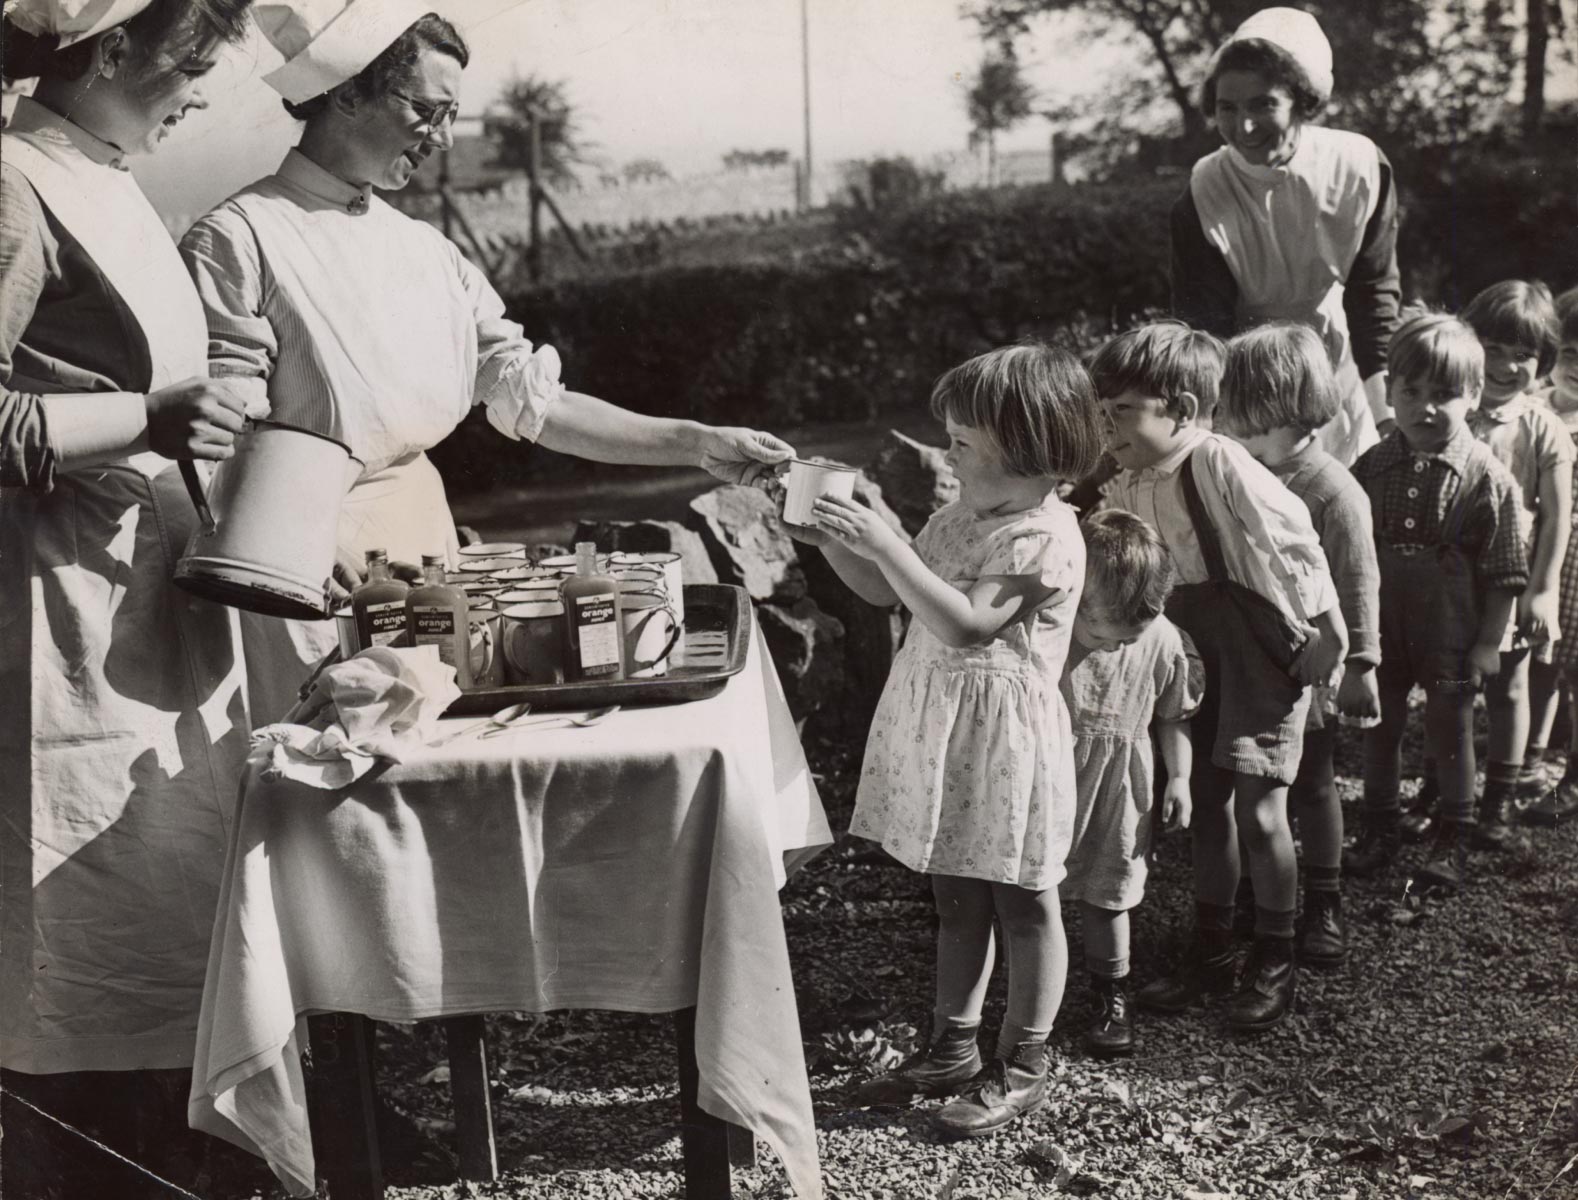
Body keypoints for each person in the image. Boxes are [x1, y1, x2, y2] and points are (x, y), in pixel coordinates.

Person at [180, 3, 796, 723]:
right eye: (427, 110)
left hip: (429, 563)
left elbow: (537, 403)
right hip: (310, 575)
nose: (443, 138)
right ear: (346, 91)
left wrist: (698, 442)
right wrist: (294, 547)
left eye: (451, 116)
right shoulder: (238, 238)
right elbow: (214, 435)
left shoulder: (428, 253)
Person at [0, 0, 263, 1194]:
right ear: (107, 50)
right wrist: (151, 418)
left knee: (162, 914)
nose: (201, 93)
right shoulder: (12, 182)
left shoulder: (111, 180)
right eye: (191, 63)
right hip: (47, 616)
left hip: (145, 610)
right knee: (67, 940)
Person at [800, 343, 1103, 1135]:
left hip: (1005, 744)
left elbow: (967, 623)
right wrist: (833, 538)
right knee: (955, 888)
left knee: (1025, 899)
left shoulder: (1041, 537)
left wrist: (887, 545)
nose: (948, 453)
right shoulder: (960, 515)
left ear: (1029, 446)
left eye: (963, 442)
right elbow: (887, 592)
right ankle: (954, 1046)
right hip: (950, 730)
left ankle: (1027, 1058)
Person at [1094, 321, 1345, 1034]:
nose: (1105, 425)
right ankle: (1212, 947)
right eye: (1102, 410)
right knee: (1207, 805)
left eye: (1121, 411)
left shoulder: (1217, 462)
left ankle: (1275, 952)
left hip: (1255, 643)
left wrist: (1328, 625)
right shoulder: (1126, 480)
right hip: (1189, 647)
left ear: (1178, 408)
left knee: (1261, 807)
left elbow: (1291, 536)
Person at [1215, 324, 1381, 969]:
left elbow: (1359, 581)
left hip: (1312, 665)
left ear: (1277, 409)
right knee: (1252, 781)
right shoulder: (1235, 471)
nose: (1223, 421)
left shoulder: (1332, 490)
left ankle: (1325, 899)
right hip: (1252, 659)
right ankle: (1261, 893)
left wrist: (1361, 663)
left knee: (1312, 782)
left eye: (1236, 411)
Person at [1343, 315, 1528, 890]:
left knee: (1449, 726)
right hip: (1383, 628)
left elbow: (1503, 574)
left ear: (1473, 395)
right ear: (1391, 391)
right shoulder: (1372, 465)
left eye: (1444, 394)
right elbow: (1347, 544)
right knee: (1381, 721)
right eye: (1411, 391)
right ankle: (1380, 826)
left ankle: (1454, 831)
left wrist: (1489, 646)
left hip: (1451, 637)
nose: (1425, 407)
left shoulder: (1488, 480)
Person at [1171, 7, 1401, 468]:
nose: (1244, 127)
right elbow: (1206, 324)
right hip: (1244, 376)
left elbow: (1373, 298)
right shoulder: (1205, 190)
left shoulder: (1358, 167)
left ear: (1301, 100)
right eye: (1227, 108)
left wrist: (1388, 418)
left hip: (1337, 363)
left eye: (1263, 104)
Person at [1060, 510, 1202, 1058]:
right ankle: (1021, 991)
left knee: (1109, 893)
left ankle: (1110, 994)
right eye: (1103, 634)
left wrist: (1181, 778)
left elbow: (1173, 715)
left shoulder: (1161, 639)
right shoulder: (1055, 624)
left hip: (1121, 788)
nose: (1116, 647)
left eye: (1130, 638)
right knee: (1030, 889)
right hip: (1052, 776)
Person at [1457, 282, 1570, 847]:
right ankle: (1445, 788)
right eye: (1492, 348)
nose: (1504, 366)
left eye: (1522, 355)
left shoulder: (1541, 426)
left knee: (1509, 688)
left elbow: (1556, 516)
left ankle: (1498, 797)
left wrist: (1543, 590)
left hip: (1514, 578)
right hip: (1452, 582)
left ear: (1542, 362)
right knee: (1449, 685)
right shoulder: (1449, 412)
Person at [1528, 295, 1578, 826]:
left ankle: (1573, 778)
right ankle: (1528, 760)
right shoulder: (1536, 407)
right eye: (1570, 351)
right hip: (1541, 559)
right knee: (1537, 661)